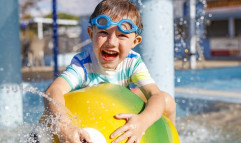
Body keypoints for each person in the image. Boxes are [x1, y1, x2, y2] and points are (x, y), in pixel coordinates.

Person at [43, 0, 176, 142]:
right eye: (103, 32)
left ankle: (171, 137)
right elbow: (53, 91)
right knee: (50, 114)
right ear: (91, 33)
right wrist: (64, 126)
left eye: (122, 35)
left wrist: (142, 122)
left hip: (120, 101)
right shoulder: (83, 64)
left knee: (167, 100)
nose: (111, 42)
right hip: (86, 111)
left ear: (135, 42)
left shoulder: (132, 62)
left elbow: (155, 95)